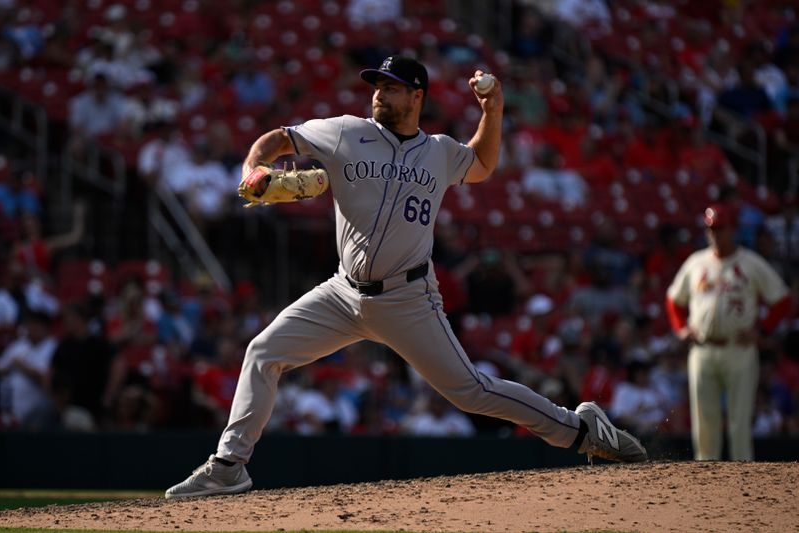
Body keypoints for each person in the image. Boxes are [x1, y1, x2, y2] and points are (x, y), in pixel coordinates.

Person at [165, 55, 647, 499]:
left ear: (417, 96)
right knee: (263, 351)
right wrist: (255, 166)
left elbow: (481, 164)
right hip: (342, 292)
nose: (379, 93)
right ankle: (230, 465)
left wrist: (492, 112)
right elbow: (281, 138)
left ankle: (583, 430)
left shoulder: (438, 151)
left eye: (392, 87)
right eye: (377, 84)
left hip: (408, 298)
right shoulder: (344, 131)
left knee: (472, 392)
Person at [666, 203, 792, 460]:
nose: (715, 234)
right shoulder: (696, 262)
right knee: (704, 421)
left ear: (732, 229)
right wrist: (680, 328)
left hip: (739, 348)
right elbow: (673, 299)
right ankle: (706, 482)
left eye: (720, 229)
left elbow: (782, 300)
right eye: (711, 229)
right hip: (703, 348)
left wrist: (763, 330)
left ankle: (742, 481)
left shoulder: (750, 263)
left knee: (739, 421)